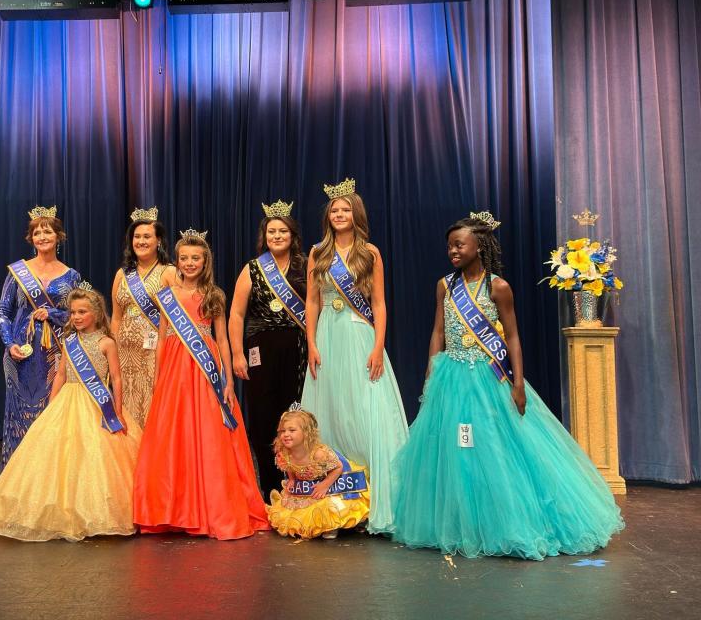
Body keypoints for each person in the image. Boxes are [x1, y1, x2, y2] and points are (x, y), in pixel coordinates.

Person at [391, 213, 624, 559]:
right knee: (456, 452)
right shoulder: (444, 285)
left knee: (495, 450)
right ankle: (459, 524)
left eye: (459, 244)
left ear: (479, 246)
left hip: (489, 377)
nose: (452, 251)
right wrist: (431, 369)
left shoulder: (497, 287)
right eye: (449, 246)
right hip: (451, 376)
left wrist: (517, 382)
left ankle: (503, 523)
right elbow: (438, 331)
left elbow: (512, 337)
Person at [0, 288, 142, 542]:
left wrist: (117, 410)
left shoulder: (107, 343)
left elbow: (117, 379)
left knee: (96, 456)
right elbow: (61, 374)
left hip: (97, 404)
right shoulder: (69, 342)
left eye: (82, 312)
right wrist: (52, 405)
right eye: (73, 312)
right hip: (67, 401)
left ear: (96, 314)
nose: (75, 317)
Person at [133, 230, 269, 540]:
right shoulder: (166, 293)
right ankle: (173, 509)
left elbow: (221, 339)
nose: (190, 263)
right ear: (177, 261)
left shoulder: (214, 294)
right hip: (174, 366)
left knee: (208, 433)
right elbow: (163, 334)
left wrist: (227, 381)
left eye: (196, 258)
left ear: (205, 260)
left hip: (205, 366)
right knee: (174, 432)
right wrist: (156, 376)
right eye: (184, 258)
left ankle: (209, 508)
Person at [300, 178, 408, 534]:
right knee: (332, 409)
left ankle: (375, 498)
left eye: (346, 209)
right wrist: (312, 343)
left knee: (365, 412)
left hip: (360, 333)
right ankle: (336, 501)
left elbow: (378, 303)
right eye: (335, 210)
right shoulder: (317, 253)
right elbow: (312, 301)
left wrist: (378, 347)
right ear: (328, 216)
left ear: (355, 213)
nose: (340, 214)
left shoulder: (370, 253)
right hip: (328, 336)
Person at [229, 200, 307, 494]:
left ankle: (298, 484)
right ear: (265, 235)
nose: (277, 236)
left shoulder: (305, 265)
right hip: (259, 350)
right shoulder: (252, 268)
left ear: (292, 235)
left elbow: (314, 309)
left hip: (297, 349)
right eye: (272, 231)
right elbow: (236, 314)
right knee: (263, 417)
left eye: (282, 231)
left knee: (296, 414)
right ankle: (269, 489)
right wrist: (237, 353)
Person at [0, 205, 82, 466]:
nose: (42, 237)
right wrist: (9, 344)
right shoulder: (18, 272)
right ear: (31, 239)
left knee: (51, 414)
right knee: (19, 415)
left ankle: (48, 475)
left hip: (55, 355)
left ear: (59, 236)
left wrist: (53, 314)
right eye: (37, 233)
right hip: (20, 353)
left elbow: (79, 317)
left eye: (48, 232)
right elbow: (2, 311)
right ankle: (17, 476)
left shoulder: (71, 276)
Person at [111, 207, 176, 427]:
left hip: (154, 353)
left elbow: (177, 318)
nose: (141, 241)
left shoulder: (169, 272)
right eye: (136, 237)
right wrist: (112, 348)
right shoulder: (122, 274)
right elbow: (117, 318)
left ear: (158, 240)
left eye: (147, 236)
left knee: (152, 405)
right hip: (125, 354)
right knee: (126, 406)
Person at [266, 406, 370, 540]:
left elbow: (338, 467)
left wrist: (325, 485)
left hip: (334, 478)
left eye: (292, 430)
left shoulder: (319, 454)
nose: (285, 434)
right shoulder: (285, 452)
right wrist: (292, 479)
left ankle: (333, 525)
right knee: (299, 509)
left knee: (329, 504)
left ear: (306, 433)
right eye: (282, 431)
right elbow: (289, 466)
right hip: (308, 483)